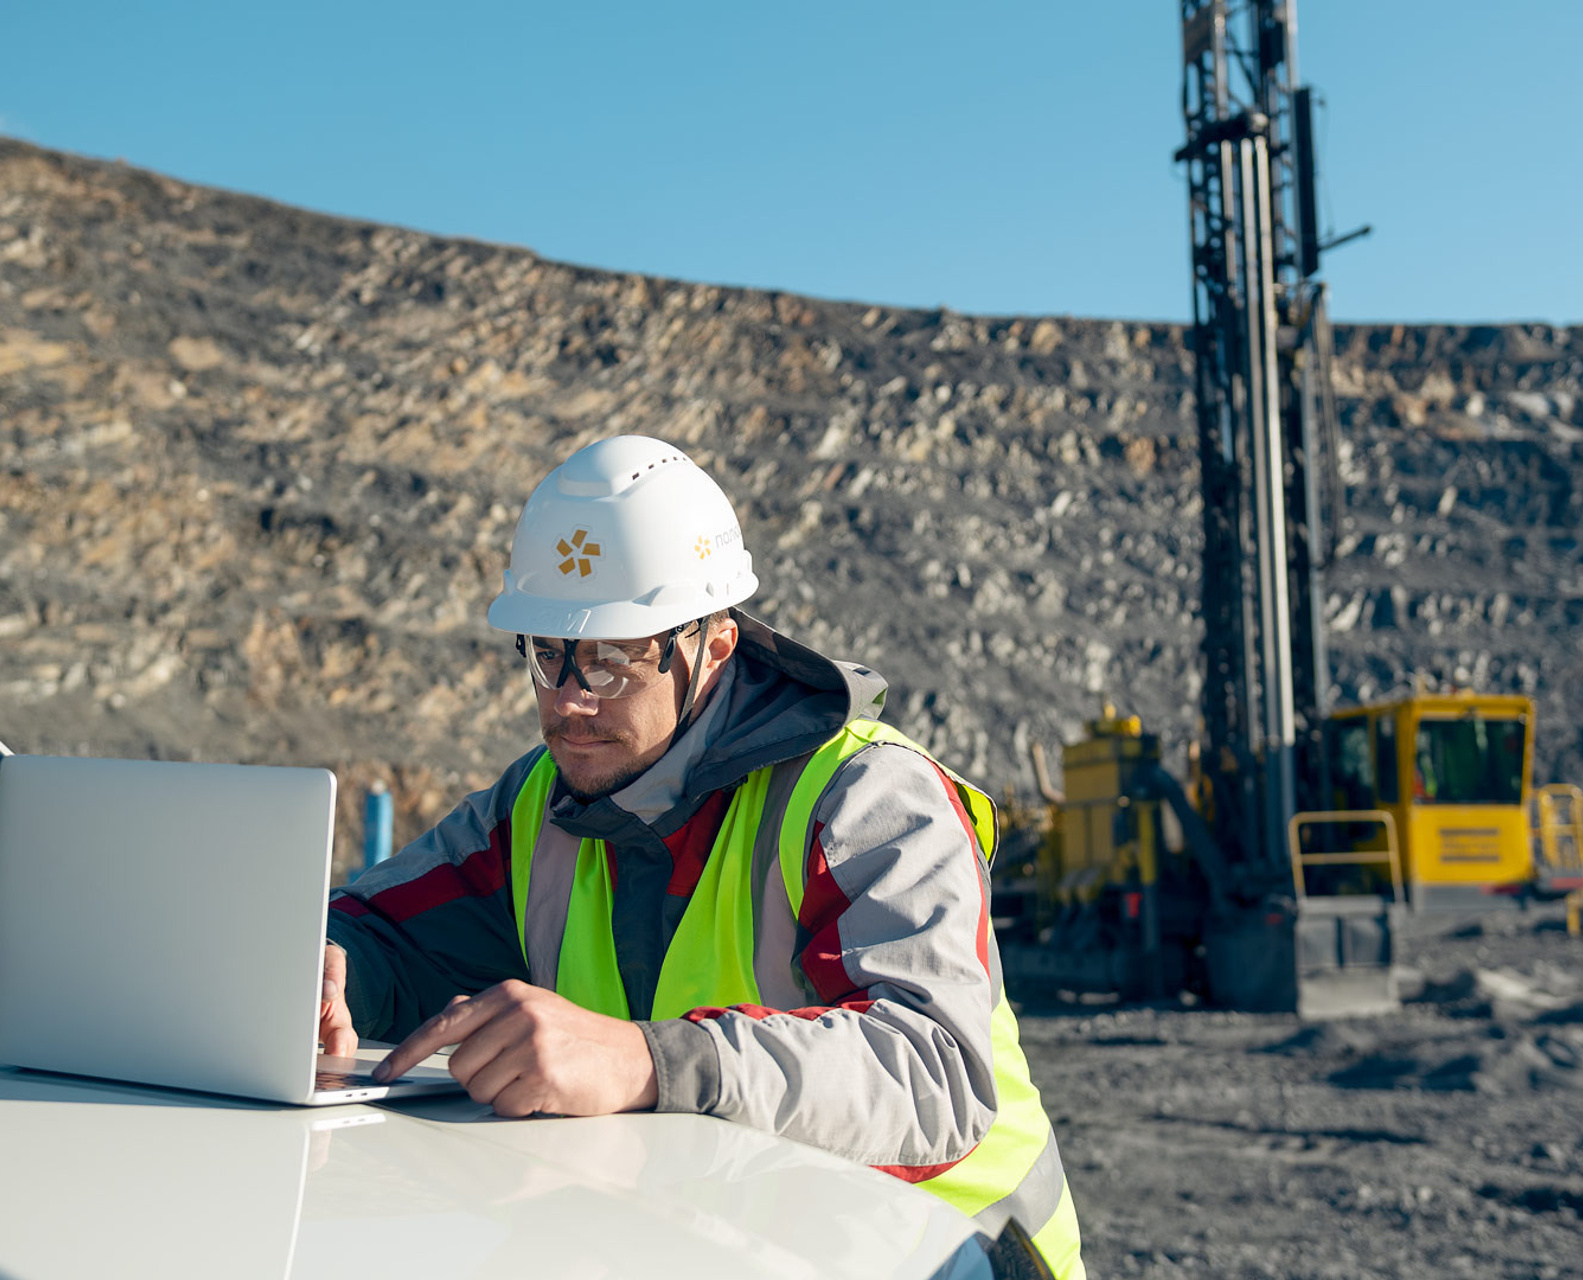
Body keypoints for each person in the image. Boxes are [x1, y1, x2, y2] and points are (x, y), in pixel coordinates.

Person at [319, 435, 1085, 1278]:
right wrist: (326, 968)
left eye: (616, 657)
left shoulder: (865, 797)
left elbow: (932, 1079)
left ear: (713, 646)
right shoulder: (535, 804)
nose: (572, 696)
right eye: (547, 652)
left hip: (950, 1252)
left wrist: (649, 1061)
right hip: (727, 1244)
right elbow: (386, 935)